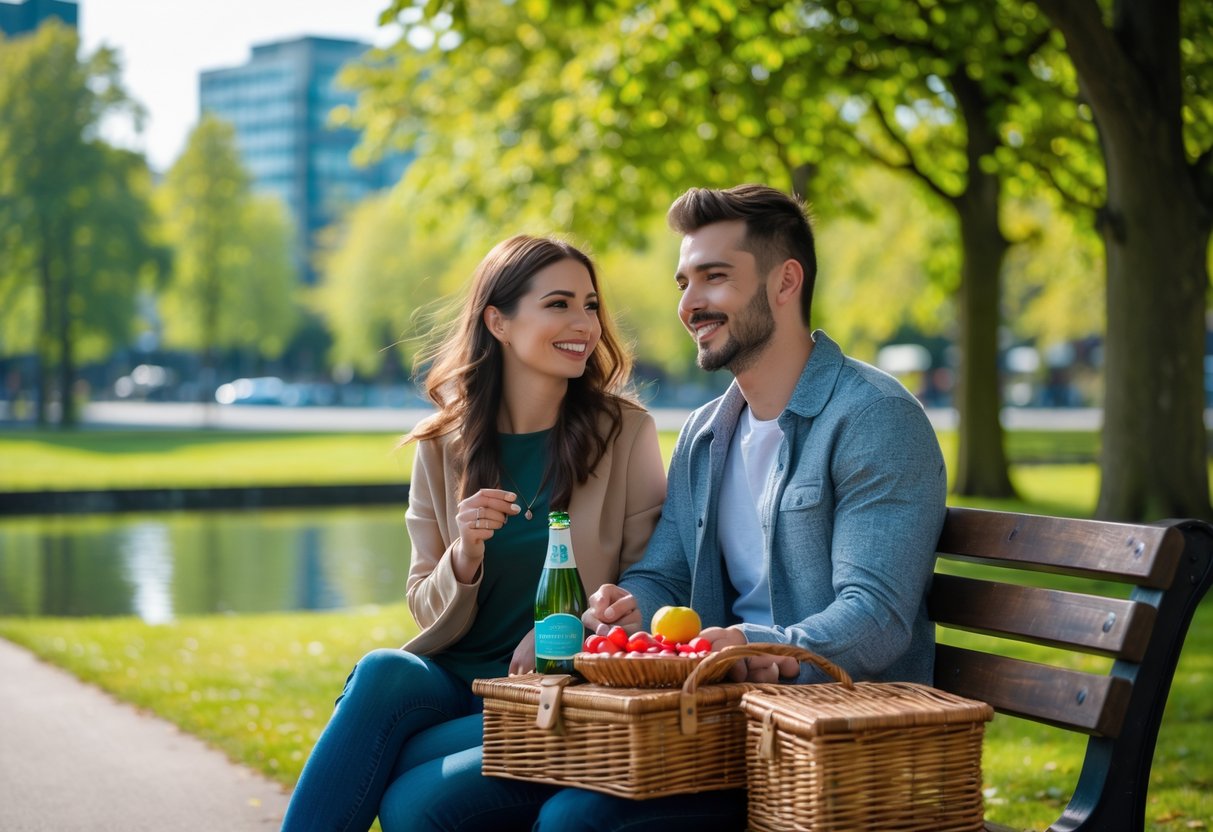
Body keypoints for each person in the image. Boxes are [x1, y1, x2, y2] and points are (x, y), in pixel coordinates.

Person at [528, 184, 949, 831]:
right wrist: (632, 603)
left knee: (572, 823)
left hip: (828, 751)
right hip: (717, 727)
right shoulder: (705, 432)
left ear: (785, 282)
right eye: (682, 283)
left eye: (713, 278)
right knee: (431, 804)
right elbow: (664, 572)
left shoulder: (872, 417)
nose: (689, 304)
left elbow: (877, 616)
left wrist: (750, 646)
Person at [279, 234, 667, 832]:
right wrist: (463, 554)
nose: (584, 324)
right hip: (452, 681)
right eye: (559, 304)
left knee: (404, 785)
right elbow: (420, 603)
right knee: (383, 670)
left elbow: (651, 574)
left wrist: (565, 631)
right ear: (499, 321)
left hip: (556, 687)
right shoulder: (440, 445)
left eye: (590, 305)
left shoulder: (626, 433)